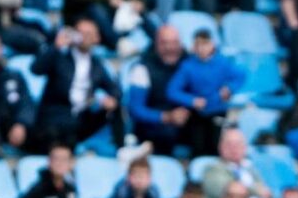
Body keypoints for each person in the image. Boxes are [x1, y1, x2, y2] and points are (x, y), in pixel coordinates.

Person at [31, 18, 123, 152]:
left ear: (96, 39)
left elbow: (115, 89)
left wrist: (112, 99)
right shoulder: (60, 58)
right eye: (80, 33)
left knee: (115, 108)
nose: (83, 38)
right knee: (60, 129)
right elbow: (36, 69)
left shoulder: (96, 65)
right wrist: (55, 47)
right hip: (56, 117)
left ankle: (122, 150)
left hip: (81, 118)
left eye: (88, 34)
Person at [167, 29, 246, 158]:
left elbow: (240, 76)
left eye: (205, 44)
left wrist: (229, 89)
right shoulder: (188, 66)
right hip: (198, 113)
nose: (202, 48)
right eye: (198, 44)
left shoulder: (223, 62)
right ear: (194, 46)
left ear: (212, 44)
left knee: (217, 145)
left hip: (218, 110)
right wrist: (192, 100)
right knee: (198, 148)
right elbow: (172, 91)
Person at [127, 26, 190, 155]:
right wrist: (166, 117)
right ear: (156, 44)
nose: (170, 48)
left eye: (174, 43)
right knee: (167, 133)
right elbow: (136, 109)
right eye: (165, 43)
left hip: (184, 120)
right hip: (154, 125)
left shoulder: (188, 62)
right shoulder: (142, 68)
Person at [201, 129, 272, 198]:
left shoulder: (250, 168)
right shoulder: (212, 169)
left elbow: (265, 193)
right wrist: (256, 192)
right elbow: (226, 192)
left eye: (238, 144)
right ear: (220, 147)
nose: (234, 148)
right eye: (229, 144)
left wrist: (268, 196)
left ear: (245, 148)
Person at [63, 0, 146, 51]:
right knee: (95, 8)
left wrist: (137, 3)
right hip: (79, 25)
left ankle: (154, 41)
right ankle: (117, 43)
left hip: (106, 28)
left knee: (145, 14)